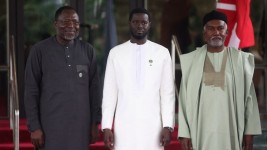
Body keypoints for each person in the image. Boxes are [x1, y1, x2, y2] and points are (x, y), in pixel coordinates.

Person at [178, 10, 262, 150]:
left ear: (227, 32)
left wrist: (249, 132)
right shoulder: (191, 61)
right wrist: (184, 133)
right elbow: (183, 100)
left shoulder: (240, 60)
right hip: (200, 131)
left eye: (220, 28)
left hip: (231, 130)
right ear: (205, 34)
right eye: (211, 29)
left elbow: (250, 98)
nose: (216, 32)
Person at [24, 6, 101, 150]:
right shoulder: (39, 51)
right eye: (65, 21)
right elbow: (31, 90)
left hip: (81, 128)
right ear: (55, 24)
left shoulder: (88, 50)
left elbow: (94, 90)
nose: (71, 26)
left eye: (75, 22)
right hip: (50, 127)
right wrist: (34, 127)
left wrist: (95, 123)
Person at [101, 8, 175, 150]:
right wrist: (106, 127)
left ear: (149, 24)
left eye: (144, 22)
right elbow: (109, 93)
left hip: (153, 126)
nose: (140, 25)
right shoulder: (116, 53)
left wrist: (167, 126)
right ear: (129, 24)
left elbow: (167, 93)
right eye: (135, 22)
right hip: (124, 125)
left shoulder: (162, 53)